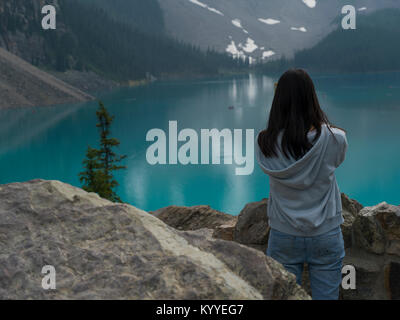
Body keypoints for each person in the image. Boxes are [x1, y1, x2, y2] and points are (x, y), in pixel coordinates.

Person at [256, 69, 348, 300]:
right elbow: (336, 158)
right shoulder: (335, 138)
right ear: (311, 97)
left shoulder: (265, 142)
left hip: (283, 234)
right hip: (326, 232)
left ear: (279, 101)